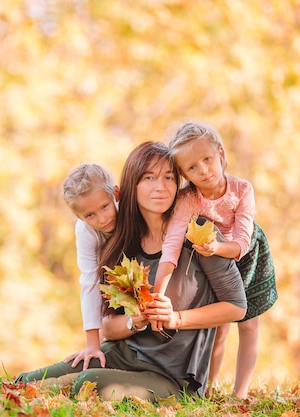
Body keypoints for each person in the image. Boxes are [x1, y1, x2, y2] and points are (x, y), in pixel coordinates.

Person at [15, 141, 247, 401]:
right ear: (130, 186)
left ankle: (67, 387)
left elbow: (237, 307)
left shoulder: (199, 233)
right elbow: (110, 329)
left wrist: (176, 319)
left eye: (169, 177)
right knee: (27, 382)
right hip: (122, 354)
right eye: (149, 178)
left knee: (90, 382)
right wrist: (135, 321)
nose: (160, 187)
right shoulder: (122, 243)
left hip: (173, 377)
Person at [154, 120, 277, 399]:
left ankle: (240, 393)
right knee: (219, 324)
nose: (203, 171)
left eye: (207, 159)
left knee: (247, 323)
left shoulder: (242, 190)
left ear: (220, 154)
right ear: (184, 174)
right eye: (192, 168)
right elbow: (172, 243)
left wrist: (216, 247)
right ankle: (208, 387)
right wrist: (156, 293)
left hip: (245, 255)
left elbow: (242, 242)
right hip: (212, 261)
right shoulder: (189, 198)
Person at [61, 164, 119, 370]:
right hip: (112, 290)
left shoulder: (130, 210)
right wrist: (92, 344)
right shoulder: (85, 231)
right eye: (90, 215)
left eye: (104, 207)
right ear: (80, 217)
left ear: (116, 194)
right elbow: (90, 281)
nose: (102, 219)